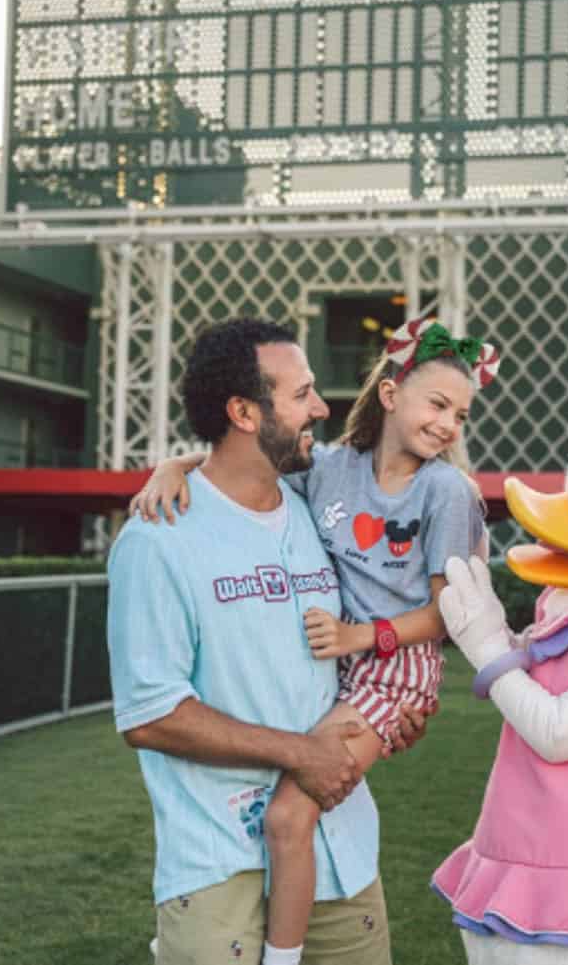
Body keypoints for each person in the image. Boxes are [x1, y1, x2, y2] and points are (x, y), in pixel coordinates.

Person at [130, 316, 497, 965]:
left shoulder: (372, 496)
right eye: (301, 394)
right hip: (218, 863)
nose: (321, 406)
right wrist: (173, 462)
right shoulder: (174, 532)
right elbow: (151, 715)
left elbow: (442, 613)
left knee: (292, 817)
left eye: (459, 413)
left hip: (348, 842)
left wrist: (375, 668)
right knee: (285, 818)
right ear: (243, 410)